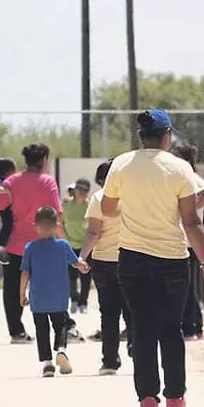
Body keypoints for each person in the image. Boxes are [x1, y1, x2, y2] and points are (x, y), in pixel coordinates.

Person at [101, 109, 204, 407]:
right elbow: (191, 220)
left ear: (140, 136)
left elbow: (108, 209)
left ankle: (147, 399)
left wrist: (132, 207)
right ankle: (175, 398)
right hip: (172, 259)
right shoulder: (179, 168)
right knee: (171, 328)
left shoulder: (121, 165)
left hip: (132, 257)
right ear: (167, 135)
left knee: (141, 328)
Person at [0, 143, 63, 344]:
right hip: (43, 245)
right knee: (46, 287)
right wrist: (62, 241)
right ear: (44, 160)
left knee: (12, 289)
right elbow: (55, 213)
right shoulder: (48, 182)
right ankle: (54, 327)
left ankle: (16, 331)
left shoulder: (12, 181)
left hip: (15, 245)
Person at [20, 206, 90, 377]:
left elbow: (25, 273)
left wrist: (22, 294)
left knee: (42, 329)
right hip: (59, 298)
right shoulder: (63, 245)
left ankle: (47, 363)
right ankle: (61, 349)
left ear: (35, 226)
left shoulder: (30, 247)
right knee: (61, 326)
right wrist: (82, 266)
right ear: (56, 225)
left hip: (38, 299)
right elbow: (75, 262)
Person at [80, 160, 132, 375]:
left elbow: (93, 233)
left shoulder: (99, 199)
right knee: (133, 309)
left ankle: (110, 360)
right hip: (132, 258)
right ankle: (136, 346)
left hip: (103, 262)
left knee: (109, 312)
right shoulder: (133, 198)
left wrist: (82, 256)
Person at [172, 144, 204, 341]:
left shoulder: (188, 175)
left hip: (187, 239)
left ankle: (191, 326)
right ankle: (193, 325)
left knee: (185, 286)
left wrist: (188, 207)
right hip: (182, 238)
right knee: (185, 285)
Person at [62, 178, 93, 314]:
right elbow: (60, 223)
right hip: (70, 244)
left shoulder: (90, 205)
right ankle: (74, 299)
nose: (81, 192)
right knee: (71, 275)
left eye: (84, 190)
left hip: (86, 246)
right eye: (79, 189)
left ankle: (83, 302)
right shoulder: (66, 205)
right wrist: (64, 240)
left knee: (86, 275)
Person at [0, 158, 17, 266]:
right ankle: (0, 248)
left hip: (10, 207)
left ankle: (3, 247)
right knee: (7, 225)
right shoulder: (0, 181)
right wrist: (8, 192)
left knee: (10, 225)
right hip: (6, 209)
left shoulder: (11, 182)